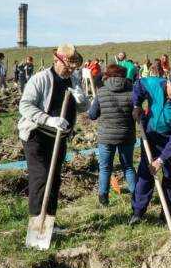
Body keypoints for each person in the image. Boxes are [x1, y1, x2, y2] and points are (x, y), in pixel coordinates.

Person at [18, 44, 88, 222]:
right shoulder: (40, 79)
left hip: (59, 139)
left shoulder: (73, 80)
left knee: (54, 180)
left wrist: (82, 99)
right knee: (41, 178)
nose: (70, 70)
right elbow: (25, 106)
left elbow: (82, 107)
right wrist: (49, 119)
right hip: (37, 136)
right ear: (56, 60)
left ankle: (49, 223)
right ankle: (36, 222)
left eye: (73, 67)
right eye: (67, 66)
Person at [129, 70, 171, 225]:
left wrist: (162, 159)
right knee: (145, 174)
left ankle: (168, 214)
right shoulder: (154, 84)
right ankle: (138, 212)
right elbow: (138, 86)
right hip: (151, 137)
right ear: (168, 83)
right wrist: (137, 105)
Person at [88, 64, 136, 206]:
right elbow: (136, 114)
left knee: (105, 168)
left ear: (107, 76)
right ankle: (136, 197)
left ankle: (103, 199)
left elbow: (92, 115)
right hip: (126, 135)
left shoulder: (101, 92)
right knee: (128, 167)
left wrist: (94, 104)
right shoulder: (132, 92)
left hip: (106, 137)